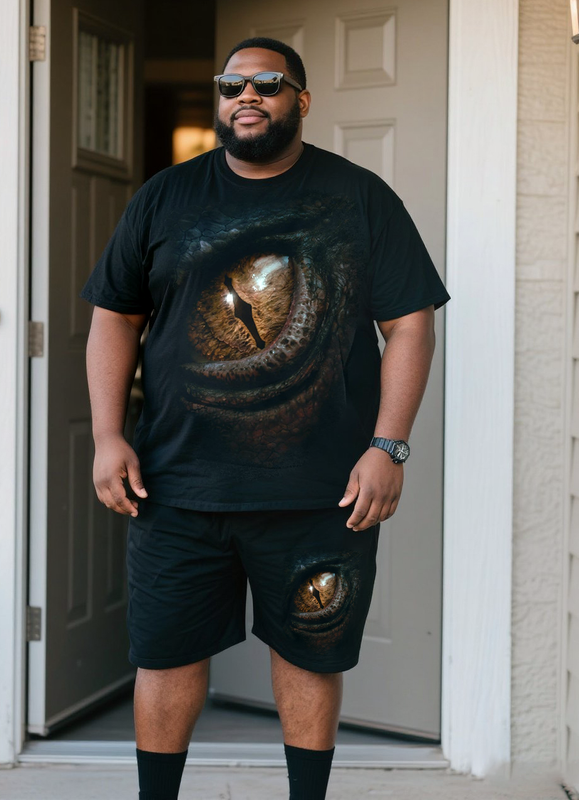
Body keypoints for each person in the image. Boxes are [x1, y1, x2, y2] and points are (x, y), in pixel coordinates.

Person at [80, 36, 450, 800]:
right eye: (231, 85)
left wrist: (388, 446)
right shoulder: (164, 198)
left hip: (321, 490)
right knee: (165, 656)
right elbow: (115, 316)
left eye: (268, 83)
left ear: (301, 100)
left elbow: (409, 324)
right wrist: (109, 435)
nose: (246, 95)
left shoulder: (359, 197)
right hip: (176, 485)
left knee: (310, 655)